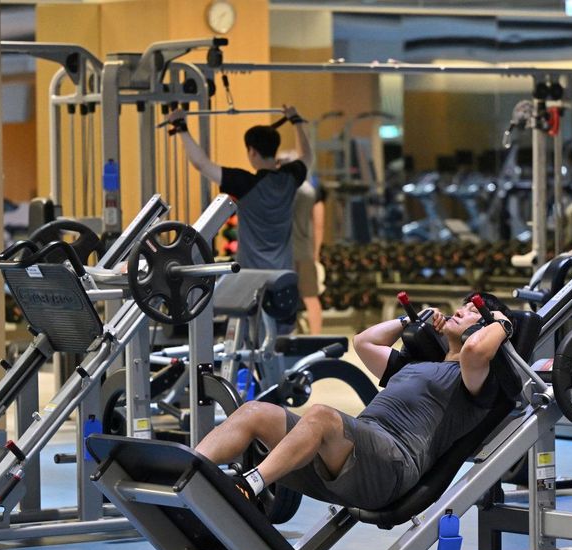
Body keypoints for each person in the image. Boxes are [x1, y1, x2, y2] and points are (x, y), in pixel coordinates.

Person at [194, 293, 516, 511]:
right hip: (354, 453)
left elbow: (475, 351)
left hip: (392, 466)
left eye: (473, 311)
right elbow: (363, 342)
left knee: (321, 416)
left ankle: (248, 486)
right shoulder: (415, 364)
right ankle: (191, 470)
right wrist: (410, 322)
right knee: (254, 412)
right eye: (464, 306)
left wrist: (502, 322)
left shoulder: (474, 380)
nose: (461, 310)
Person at [168, 106, 312, 273]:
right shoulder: (289, 179)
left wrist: (181, 128)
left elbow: (202, 164)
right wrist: (296, 121)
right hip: (284, 276)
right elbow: (307, 156)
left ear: (252, 152)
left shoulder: (244, 184)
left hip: (251, 280)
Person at [289, 178, 325, 334]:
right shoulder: (311, 191)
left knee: (283, 296)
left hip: (282, 252)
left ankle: (285, 335)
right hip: (304, 251)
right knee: (311, 297)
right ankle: (316, 337)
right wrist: (316, 253)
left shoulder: (279, 189)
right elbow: (319, 225)